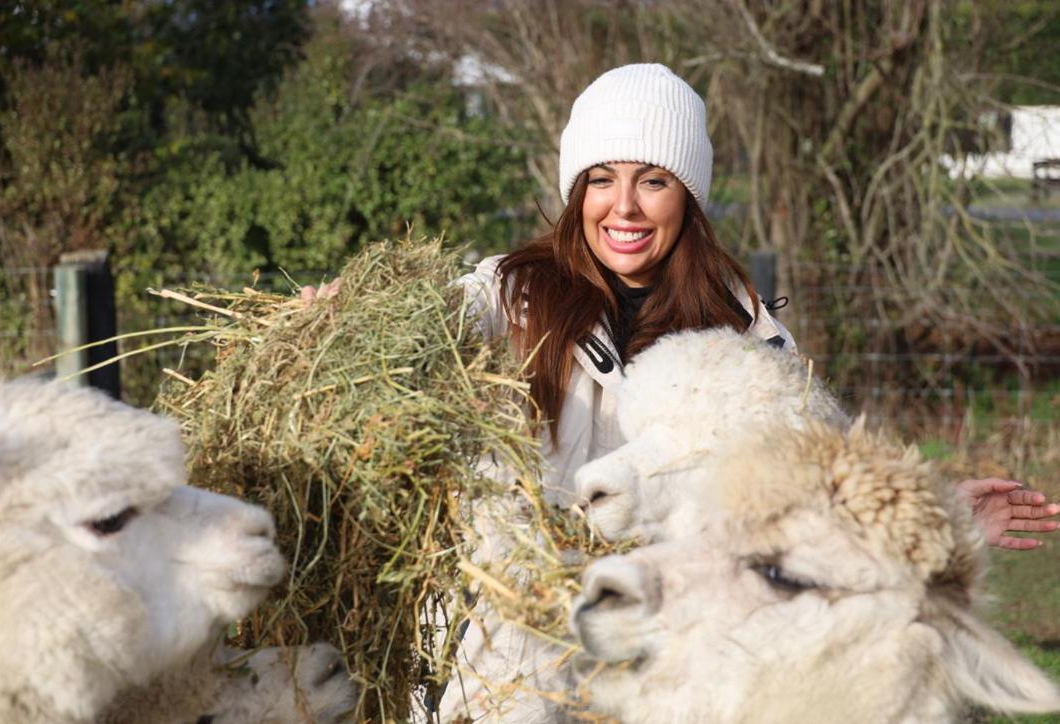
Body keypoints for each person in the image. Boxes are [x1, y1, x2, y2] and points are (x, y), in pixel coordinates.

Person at [303, 63, 1058, 718]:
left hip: (670, 646)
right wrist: (348, 316)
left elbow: (813, 490)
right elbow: (400, 338)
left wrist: (940, 520)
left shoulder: (749, 338)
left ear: (687, 196)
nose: (623, 207)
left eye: (652, 181)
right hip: (506, 662)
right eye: (602, 179)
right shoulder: (503, 298)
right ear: (577, 191)